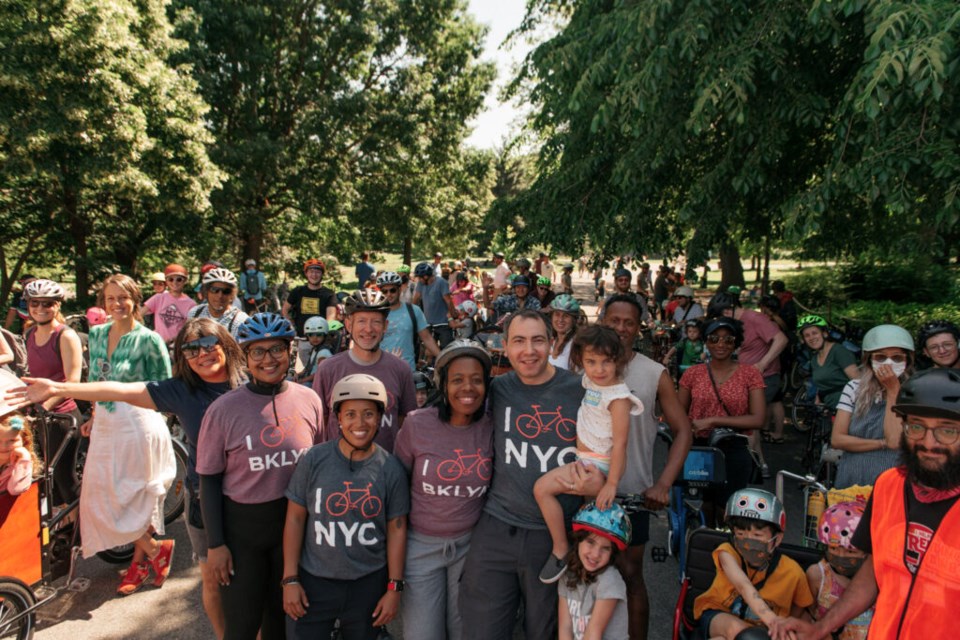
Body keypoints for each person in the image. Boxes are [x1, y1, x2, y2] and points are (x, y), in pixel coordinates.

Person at [11, 318, 245, 638]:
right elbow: (121, 389)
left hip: (254, 496)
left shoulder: (249, 383)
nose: (202, 354)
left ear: (225, 344)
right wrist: (60, 387)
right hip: (204, 496)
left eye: (208, 344)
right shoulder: (180, 391)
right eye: (191, 349)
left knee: (254, 579)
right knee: (212, 579)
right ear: (183, 358)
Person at [772, 368, 960, 640]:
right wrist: (821, 627)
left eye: (947, 431)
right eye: (916, 426)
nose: (929, 442)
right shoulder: (888, 486)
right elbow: (873, 570)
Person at [459, 309, 598, 640]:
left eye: (538, 340)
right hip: (496, 527)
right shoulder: (496, 390)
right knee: (482, 628)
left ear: (552, 344)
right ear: (505, 347)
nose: (529, 350)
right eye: (519, 341)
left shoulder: (581, 390)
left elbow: (606, 450)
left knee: (545, 629)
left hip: (554, 536)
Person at [197, 313, 324, 640]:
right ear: (244, 357)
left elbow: (321, 466)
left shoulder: (309, 400)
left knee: (282, 625)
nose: (268, 359)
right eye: (258, 351)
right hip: (243, 533)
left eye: (276, 350)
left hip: (295, 529)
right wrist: (216, 545)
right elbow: (209, 479)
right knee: (241, 626)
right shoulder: (224, 410)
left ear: (290, 352)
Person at [282, 374, 409, 640]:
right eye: (350, 414)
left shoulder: (390, 468)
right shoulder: (314, 459)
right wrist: (290, 579)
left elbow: (396, 529)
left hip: (368, 583)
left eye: (368, 414)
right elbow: (295, 519)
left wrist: (394, 587)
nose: (359, 423)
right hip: (314, 582)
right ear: (338, 419)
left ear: (380, 418)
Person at [601, 293, 692, 640]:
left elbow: (683, 430)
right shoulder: (581, 366)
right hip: (585, 490)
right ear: (602, 320)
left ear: (639, 328)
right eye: (614, 320)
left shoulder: (654, 373)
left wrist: (663, 484)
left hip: (633, 493)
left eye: (629, 322)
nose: (621, 328)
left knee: (630, 575)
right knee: (581, 573)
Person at [394, 340, 494, 640]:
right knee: (422, 634)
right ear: (443, 383)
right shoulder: (417, 424)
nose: (468, 388)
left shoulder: (492, 424)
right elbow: (398, 483)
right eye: (458, 380)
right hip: (420, 546)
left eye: (477, 380)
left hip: (469, 546)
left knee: (463, 630)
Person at [83, 274, 177, 595]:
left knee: (137, 496)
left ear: (135, 300)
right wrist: (93, 414)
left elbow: (164, 388)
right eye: (110, 298)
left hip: (138, 424)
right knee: (100, 497)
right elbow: (95, 379)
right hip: (105, 425)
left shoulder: (149, 339)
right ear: (103, 302)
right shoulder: (95, 335)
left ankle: (138, 566)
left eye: (122, 297)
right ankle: (154, 550)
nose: (116, 304)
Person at [534, 325, 643, 584]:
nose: (599, 369)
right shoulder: (589, 379)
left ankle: (565, 552)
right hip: (583, 460)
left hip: (599, 466)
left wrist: (611, 484)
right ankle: (581, 575)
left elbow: (620, 444)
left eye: (607, 362)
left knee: (546, 492)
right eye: (591, 362)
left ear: (619, 360)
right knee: (588, 524)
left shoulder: (618, 397)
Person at [678, 317, 765, 526]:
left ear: (736, 343)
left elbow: (759, 418)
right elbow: (679, 412)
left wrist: (713, 421)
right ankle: (702, 548)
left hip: (734, 447)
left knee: (728, 508)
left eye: (728, 340)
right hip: (700, 448)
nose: (721, 344)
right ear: (706, 342)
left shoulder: (750, 374)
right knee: (703, 505)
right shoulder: (693, 374)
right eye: (714, 339)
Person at [695, 489, 813, 639]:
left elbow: (800, 609)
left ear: (777, 539)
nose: (748, 543)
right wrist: (773, 619)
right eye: (740, 534)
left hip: (765, 631)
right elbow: (743, 585)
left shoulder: (793, 573)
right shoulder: (727, 553)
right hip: (719, 614)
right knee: (739, 631)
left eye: (757, 535)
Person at [313, 289, 417, 453]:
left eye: (376, 322)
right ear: (348, 325)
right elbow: (321, 423)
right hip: (338, 469)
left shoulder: (401, 369)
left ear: (385, 326)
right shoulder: (328, 369)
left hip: (386, 470)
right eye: (361, 321)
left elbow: (406, 422)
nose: (368, 329)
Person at [708, 291, 788, 479]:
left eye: (720, 316)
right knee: (750, 424)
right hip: (749, 378)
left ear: (728, 311)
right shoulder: (738, 323)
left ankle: (744, 469)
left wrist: (762, 363)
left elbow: (781, 339)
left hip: (765, 378)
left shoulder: (754, 318)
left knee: (746, 422)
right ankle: (760, 465)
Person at [21, 279, 83, 504]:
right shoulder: (29, 334)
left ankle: (84, 534)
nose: (40, 309)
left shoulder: (65, 336)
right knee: (47, 484)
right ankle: (62, 534)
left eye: (47, 303)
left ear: (58, 305)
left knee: (65, 481)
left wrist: (44, 407)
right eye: (34, 303)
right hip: (38, 415)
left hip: (61, 417)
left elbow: (73, 381)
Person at [831, 324, 913, 489]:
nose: (888, 363)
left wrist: (893, 392)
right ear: (869, 360)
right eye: (880, 357)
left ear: (907, 361)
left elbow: (895, 440)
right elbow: (837, 439)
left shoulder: (914, 393)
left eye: (897, 358)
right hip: (852, 474)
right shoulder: (854, 388)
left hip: (893, 478)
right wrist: (881, 443)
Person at [558, 503, 631, 640]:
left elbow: (594, 633)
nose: (596, 554)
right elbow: (565, 627)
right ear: (578, 540)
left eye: (605, 548)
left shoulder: (610, 580)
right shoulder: (568, 575)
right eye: (590, 542)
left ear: (612, 553)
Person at [805, 502, 873, 640]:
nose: (841, 556)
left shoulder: (878, 582)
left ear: (866, 552)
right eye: (834, 549)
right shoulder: (818, 575)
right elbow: (806, 613)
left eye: (850, 551)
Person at [378, 271, 440, 371]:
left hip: (408, 371)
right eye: (384, 291)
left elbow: (427, 338)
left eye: (392, 290)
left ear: (400, 289)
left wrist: (443, 359)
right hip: (381, 371)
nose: (388, 294)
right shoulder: (376, 314)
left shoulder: (414, 311)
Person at [283, 259, 338, 371]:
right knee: (308, 370)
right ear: (306, 273)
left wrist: (325, 335)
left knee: (321, 371)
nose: (314, 275)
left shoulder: (328, 294)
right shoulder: (298, 292)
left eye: (317, 272)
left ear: (322, 274)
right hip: (303, 339)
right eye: (311, 271)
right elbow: (285, 310)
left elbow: (331, 316)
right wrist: (291, 324)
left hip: (321, 340)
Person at [798, 315, 858, 410]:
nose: (811, 338)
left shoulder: (839, 351)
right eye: (807, 335)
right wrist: (818, 398)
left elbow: (858, 381)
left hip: (849, 410)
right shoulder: (814, 359)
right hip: (830, 409)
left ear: (825, 333)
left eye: (814, 333)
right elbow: (821, 384)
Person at [143, 263, 197, 344]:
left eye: (179, 279)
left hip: (176, 346)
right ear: (166, 281)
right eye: (171, 279)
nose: (174, 282)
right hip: (156, 344)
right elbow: (138, 314)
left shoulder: (191, 304)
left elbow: (191, 329)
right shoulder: (158, 298)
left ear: (185, 281)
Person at [189, 268, 250, 338]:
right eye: (214, 290)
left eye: (226, 291)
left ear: (232, 295)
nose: (220, 296)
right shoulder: (195, 313)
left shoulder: (240, 320)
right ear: (206, 292)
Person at [413, 262, 457, 348]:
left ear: (426, 276)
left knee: (446, 347)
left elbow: (448, 300)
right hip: (428, 323)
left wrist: (453, 314)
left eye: (419, 277)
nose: (418, 279)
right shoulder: (421, 283)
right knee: (428, 349)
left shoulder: (441, 282)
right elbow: (416, 298)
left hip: (443, 322)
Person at [0, 413, 37, 496]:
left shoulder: (19, 464)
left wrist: (25, 459)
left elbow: (16, 489)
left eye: (12, 440)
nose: (4, 446)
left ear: (24, 440)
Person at [547, 294, 583, 370]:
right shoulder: (550, 341)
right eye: (557, 314)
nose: (560, 319)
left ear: (574, 320)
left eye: (566, 316)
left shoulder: (577, 344)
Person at [296, 317, 330, 386]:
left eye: (319, 335)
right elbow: (309, 368)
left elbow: (320, 373)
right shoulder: (315, 349)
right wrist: (299, 375)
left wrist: (302, 381)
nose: (315, 338)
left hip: (317, 382)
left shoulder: (323, 353)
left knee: (304, 386)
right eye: (311, 335)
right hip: (311, 379)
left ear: (325, 336)